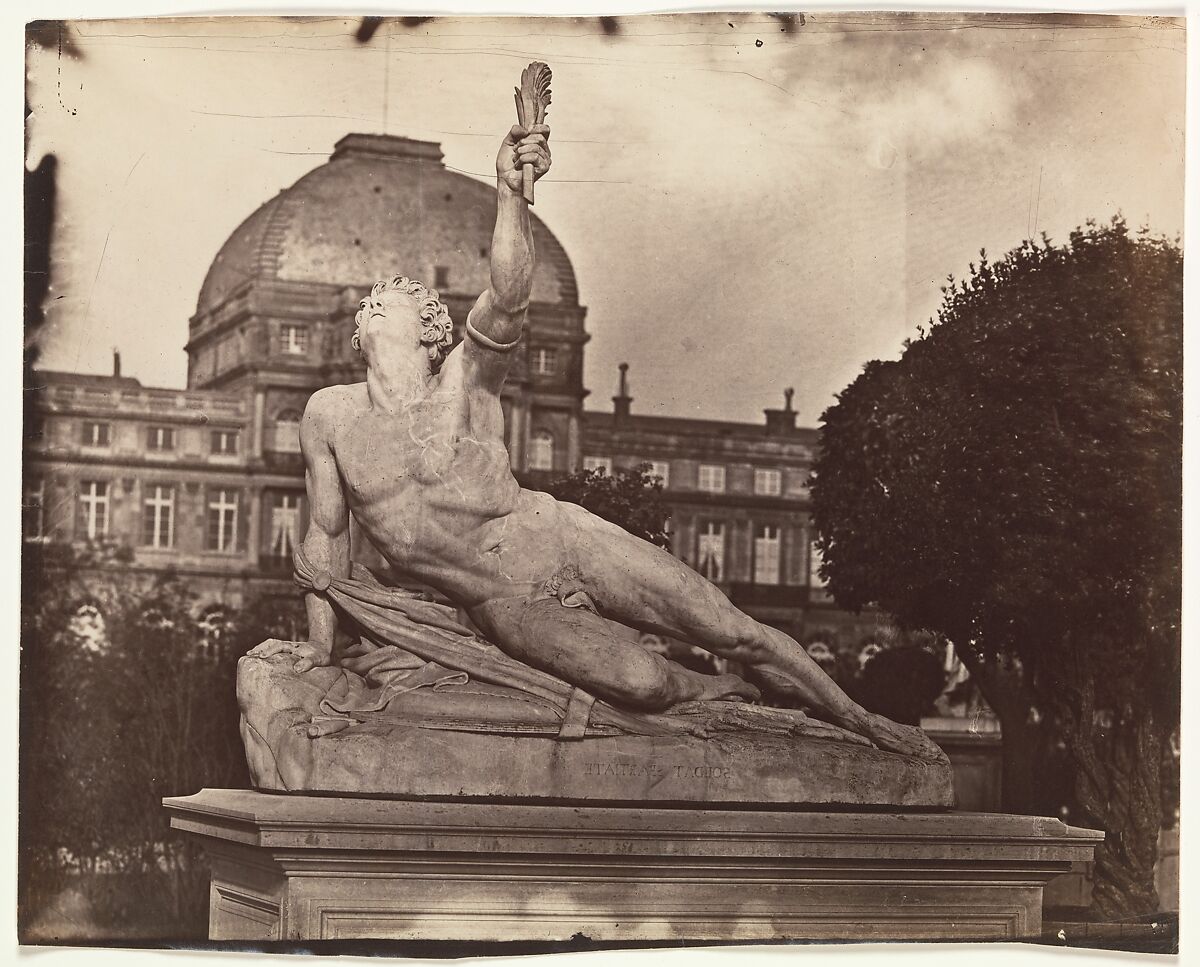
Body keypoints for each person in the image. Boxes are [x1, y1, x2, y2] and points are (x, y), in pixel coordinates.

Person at [248, 123, 944, 761]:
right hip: (506, 603)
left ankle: (864, 722)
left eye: (393, 298)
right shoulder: (329, 415)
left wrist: (510, 195)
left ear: (431, 328)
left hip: (562, 539)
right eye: (372, 302)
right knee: (642, 680)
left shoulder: (466, 379)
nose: (377, 300)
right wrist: (318, 646)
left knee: (731, 627)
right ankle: (723, 696)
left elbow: (508, 292)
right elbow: (325, 541)